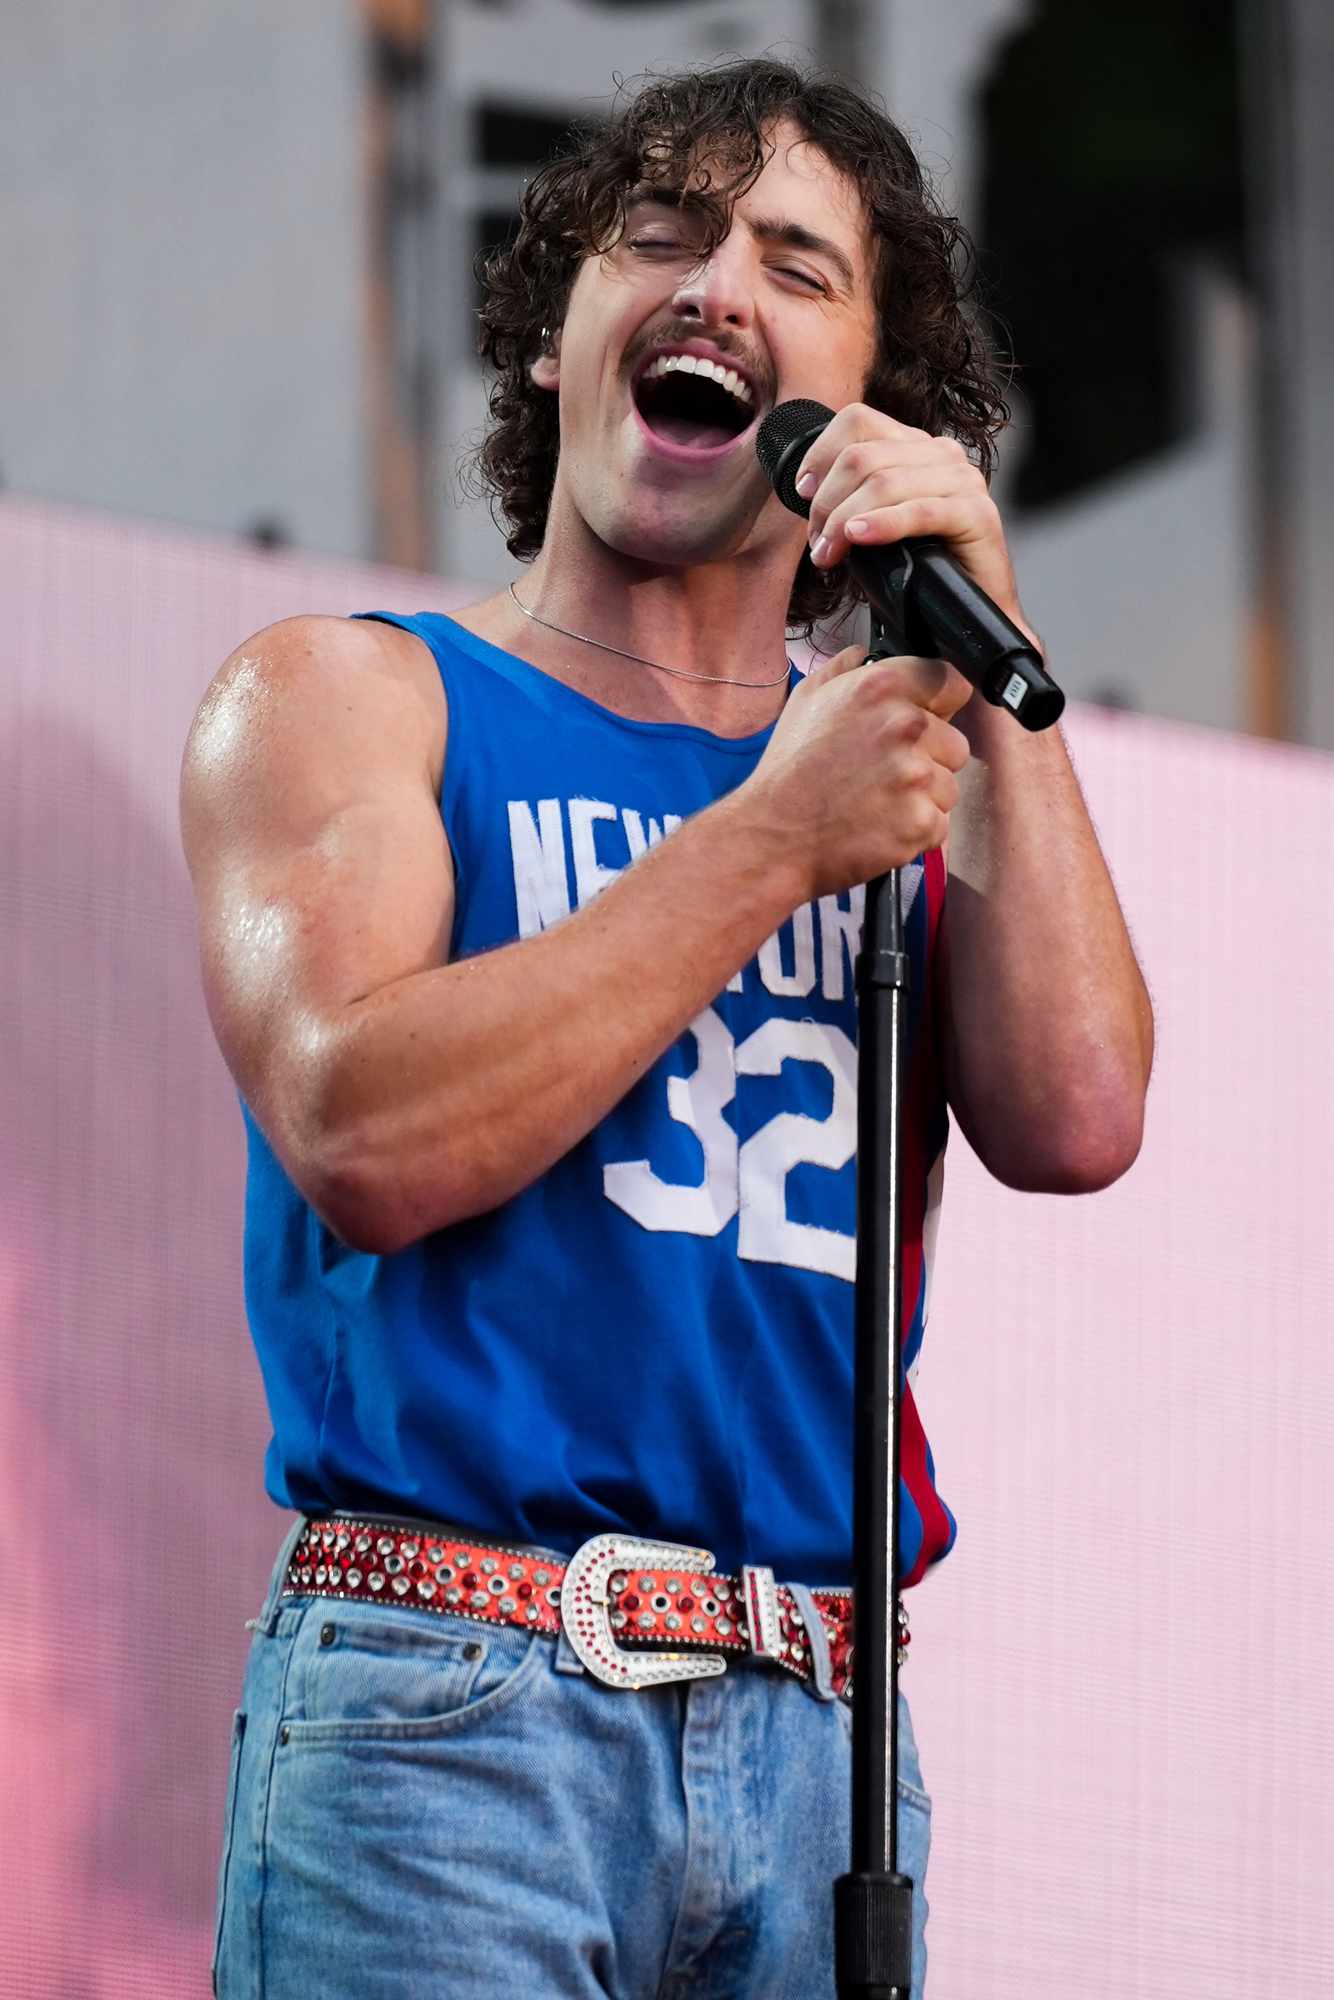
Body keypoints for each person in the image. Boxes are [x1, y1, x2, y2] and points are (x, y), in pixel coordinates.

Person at [183, 57, 1153, 2000]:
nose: (718, 284)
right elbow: (365, 1139)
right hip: (450, 1710)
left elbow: (1076, 1112)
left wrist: (978, 642)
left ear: (859, 410)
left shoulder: (891, 777)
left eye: (794, 260)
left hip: (822, 1743)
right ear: (554, 345)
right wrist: (764, 844)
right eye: (660, 237)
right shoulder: (357, 694)